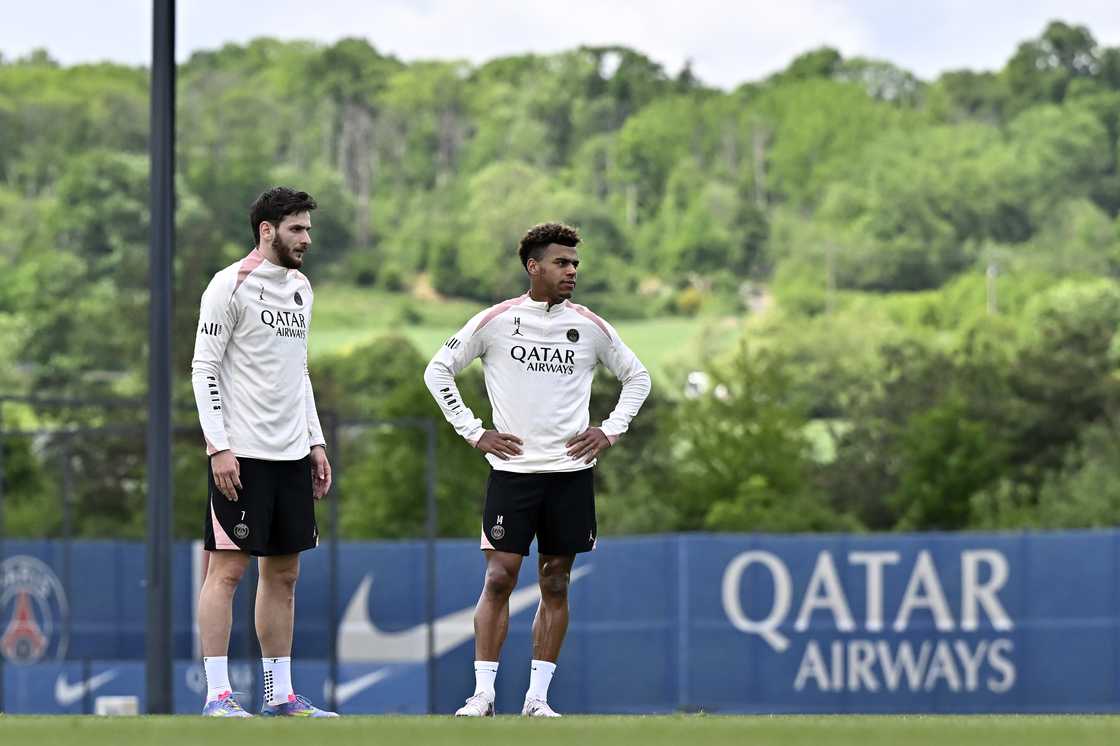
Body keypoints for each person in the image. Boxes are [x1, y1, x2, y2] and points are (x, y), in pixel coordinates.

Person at [424, 222, 652, 717]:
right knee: (500, 578)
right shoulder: (496, 321)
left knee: (555, 581)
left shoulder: (590, 325)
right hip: (512, 473)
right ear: (534, 266)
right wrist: (473, 430)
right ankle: (483, 694)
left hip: (569, 474)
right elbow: (437, 370)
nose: (571, 271)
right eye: (561, 262)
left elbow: (639, 376)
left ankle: (536, 699)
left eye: (575, 263)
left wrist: (610, 429)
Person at [191, 187, 337, 718]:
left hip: (292, 455)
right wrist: (219, 447)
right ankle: (218, 695)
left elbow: (298, 373)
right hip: (241, 455)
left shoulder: (301, 287)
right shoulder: (229, 284)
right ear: (267, 230)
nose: (307, 239)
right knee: (226, 573)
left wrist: (315, 441)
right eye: (297, 229)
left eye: (309, 229)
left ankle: (280, 696)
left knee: (284, 575)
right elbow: (203, 368)